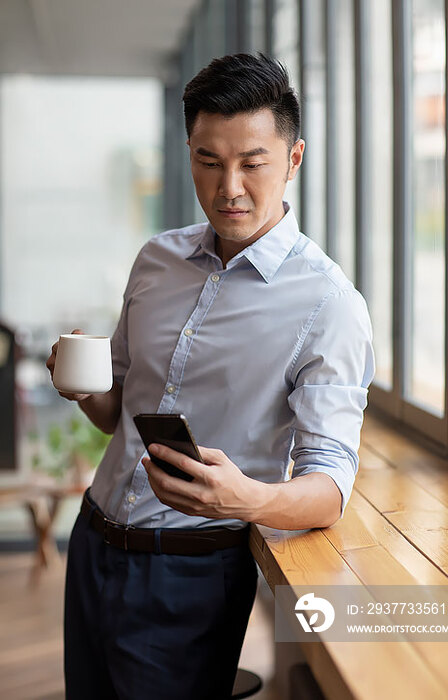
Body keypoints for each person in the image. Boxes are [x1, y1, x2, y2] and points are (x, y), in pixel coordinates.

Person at [47, 52, 374, 700]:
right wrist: (83, 385)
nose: (229, 187)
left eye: (252, 163)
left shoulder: (327, 304)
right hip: (93, 543)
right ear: (189, 151)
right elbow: (118, 412)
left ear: (293, 160)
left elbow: (328, 486)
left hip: (193, 575)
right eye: (208, 160)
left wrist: (245, 500)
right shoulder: (156, 260)